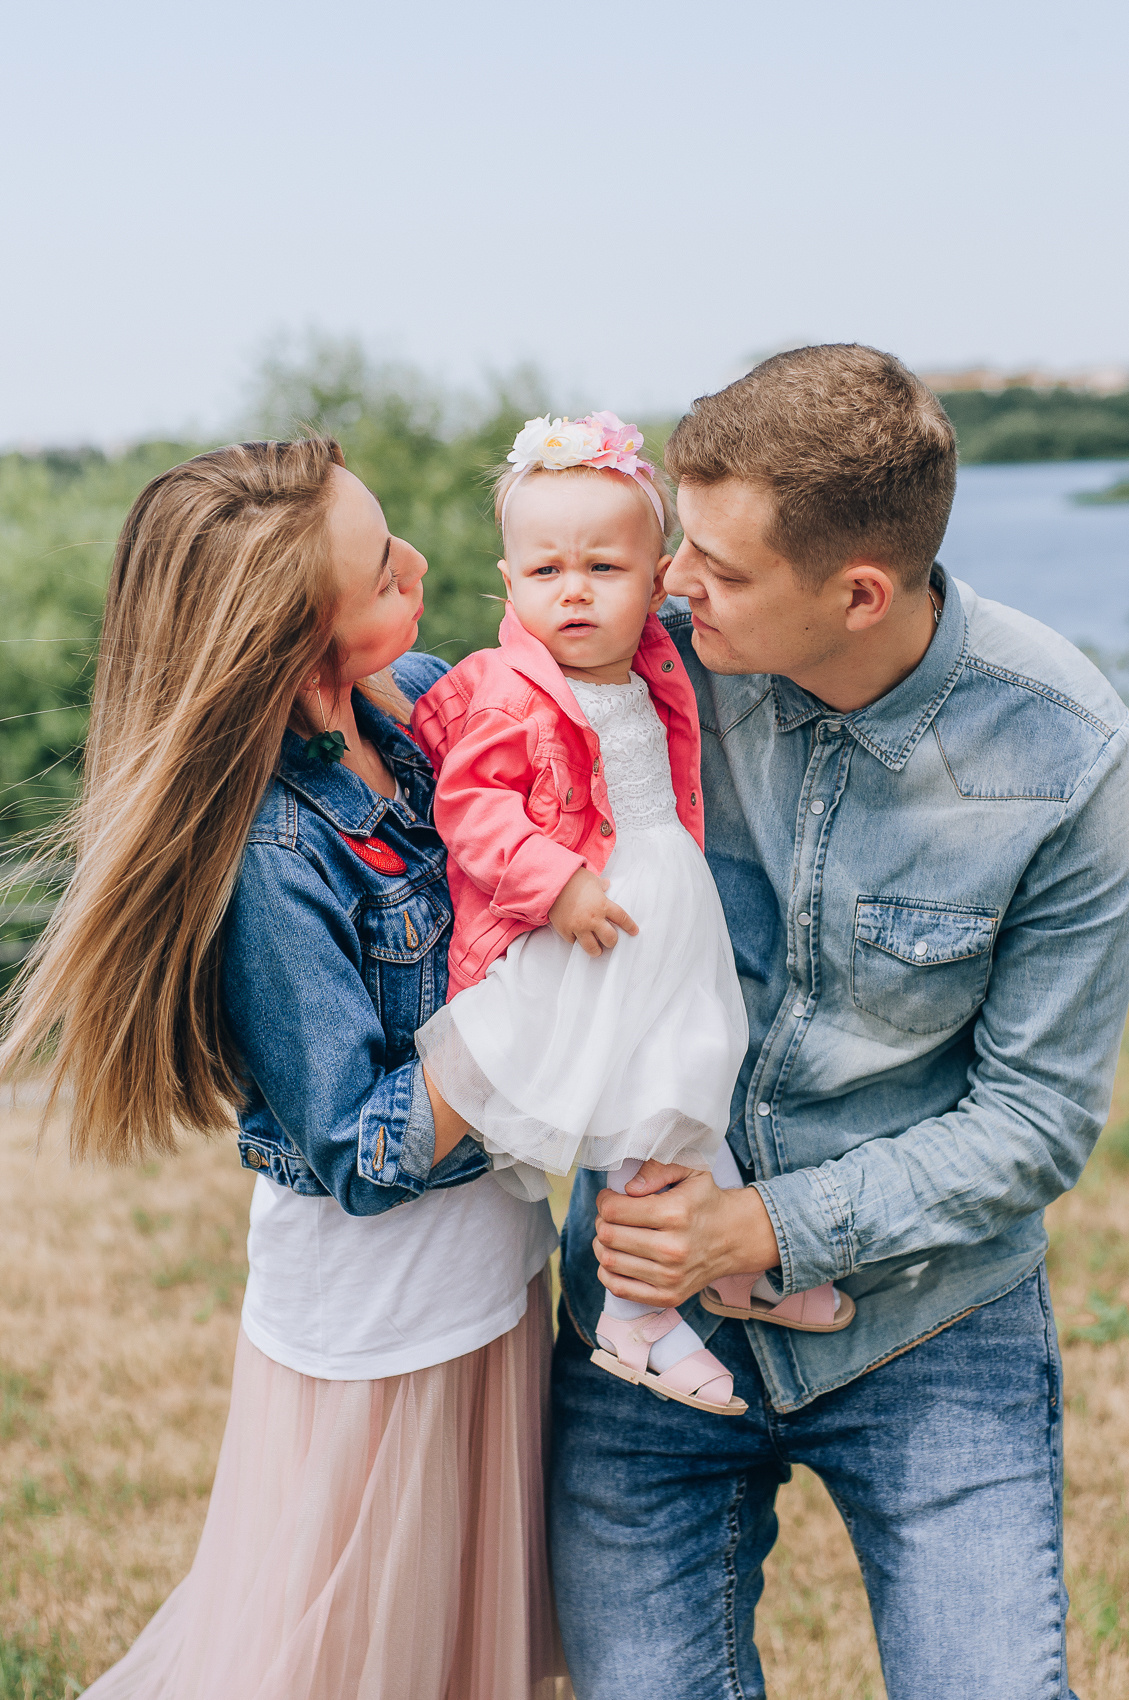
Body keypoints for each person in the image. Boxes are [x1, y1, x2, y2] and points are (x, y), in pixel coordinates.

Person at [550, 346, 1129, 1700]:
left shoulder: (1068, 751)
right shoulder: (647, 654)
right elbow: (449, 708)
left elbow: (1035, 1121)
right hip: (643, 1320)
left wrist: (764, 1227)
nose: (670, 582)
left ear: (859, 594)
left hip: (931, 1324)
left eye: (718, 566)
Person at [0, 438, 563, 1699]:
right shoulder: (271, 856)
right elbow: (360, 1145)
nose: (421, 563)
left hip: (491, 1274)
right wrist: (530, 1007)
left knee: (466, 1650)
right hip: (384, 1330)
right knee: (346, 1661)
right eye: (383, 571)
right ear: (308, 658)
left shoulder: (415, 713)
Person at [413, 413, 851, 1422]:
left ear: (658, 584)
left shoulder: (655, 659)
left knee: (696, 1069)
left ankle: (727, 1267)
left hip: (667, 916)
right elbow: (471, 806)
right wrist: (553, 881)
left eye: (603, 568)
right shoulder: (510, 690)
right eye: (546, 570)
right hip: (591, 926)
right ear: (508, 583)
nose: (573, 591)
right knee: (654, 1097)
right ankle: (635, 1310)